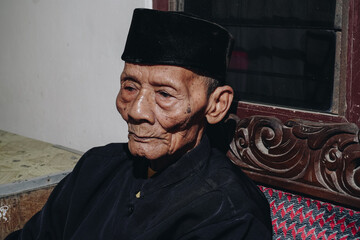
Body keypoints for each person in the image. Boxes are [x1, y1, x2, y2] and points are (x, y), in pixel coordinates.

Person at [6, 8, 272, 239]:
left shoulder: (229, 213)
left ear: (216, 105)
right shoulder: (97, 165)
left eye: (165, 94)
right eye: (130, 87)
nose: (136, 110)